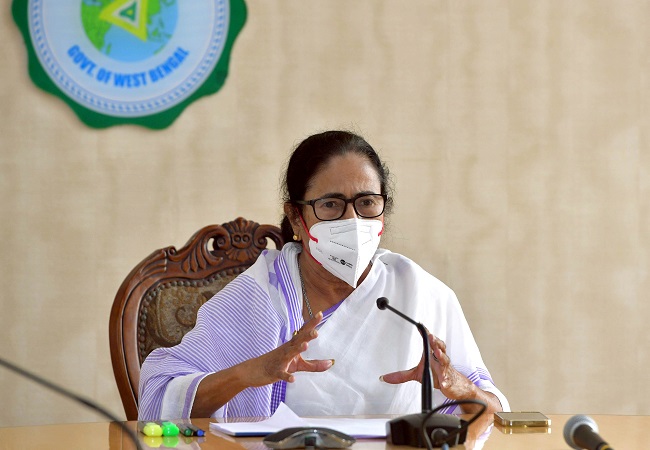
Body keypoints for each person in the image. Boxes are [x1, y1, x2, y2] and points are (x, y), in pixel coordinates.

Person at [138, 130, 509, 420]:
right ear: (297, 217)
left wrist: (459, 387)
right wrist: (250, 372)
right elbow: (159, 400)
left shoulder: (418, 293)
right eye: (331, 204)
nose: (352, 221)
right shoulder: (258, 296)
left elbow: (495, 411)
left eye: (366, 203)